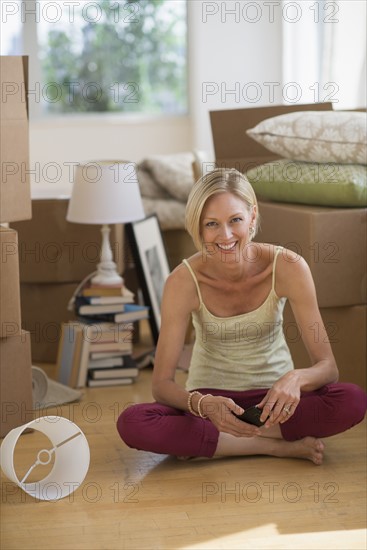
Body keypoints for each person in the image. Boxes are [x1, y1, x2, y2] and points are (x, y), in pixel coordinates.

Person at [117, 168, 366, 465]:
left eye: (235, 219)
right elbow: (161, 385)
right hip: (210, 403)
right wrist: (203, 404)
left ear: (253, 216)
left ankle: (213, 444)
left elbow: (328, 368)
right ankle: (274, 446)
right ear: (197, 228)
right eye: (211, 224)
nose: (225, 235)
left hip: (275, 403)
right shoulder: (182, 282)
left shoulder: (288, 266)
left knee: (352, 399)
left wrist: (295, 379)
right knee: (133, 422)